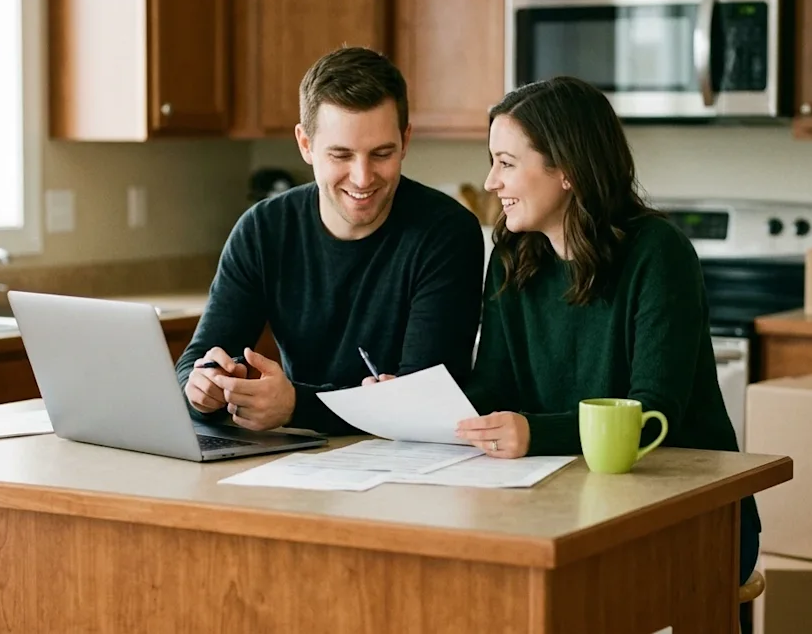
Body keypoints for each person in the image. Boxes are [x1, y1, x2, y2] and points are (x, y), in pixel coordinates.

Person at [363, 76, 761, 587]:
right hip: (567, 502)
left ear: (567, 169)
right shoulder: (513, 255)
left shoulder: (659, 254)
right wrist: (414, 403)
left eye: (506, 163)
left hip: (694, 513)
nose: (490, 182)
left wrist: (535, 433)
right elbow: (493, 387)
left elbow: (654, 413)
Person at [176, 46, 484, 435]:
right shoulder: (263, 230)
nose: (362, 177)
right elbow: (193, 363)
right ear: (305, 144)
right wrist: (203, 387)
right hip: (300, 460)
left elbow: (423, 404)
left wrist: (296, 406)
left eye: (382, 153)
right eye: (341, 154)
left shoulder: (447, 233)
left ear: (405, 141)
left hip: (408, 466)